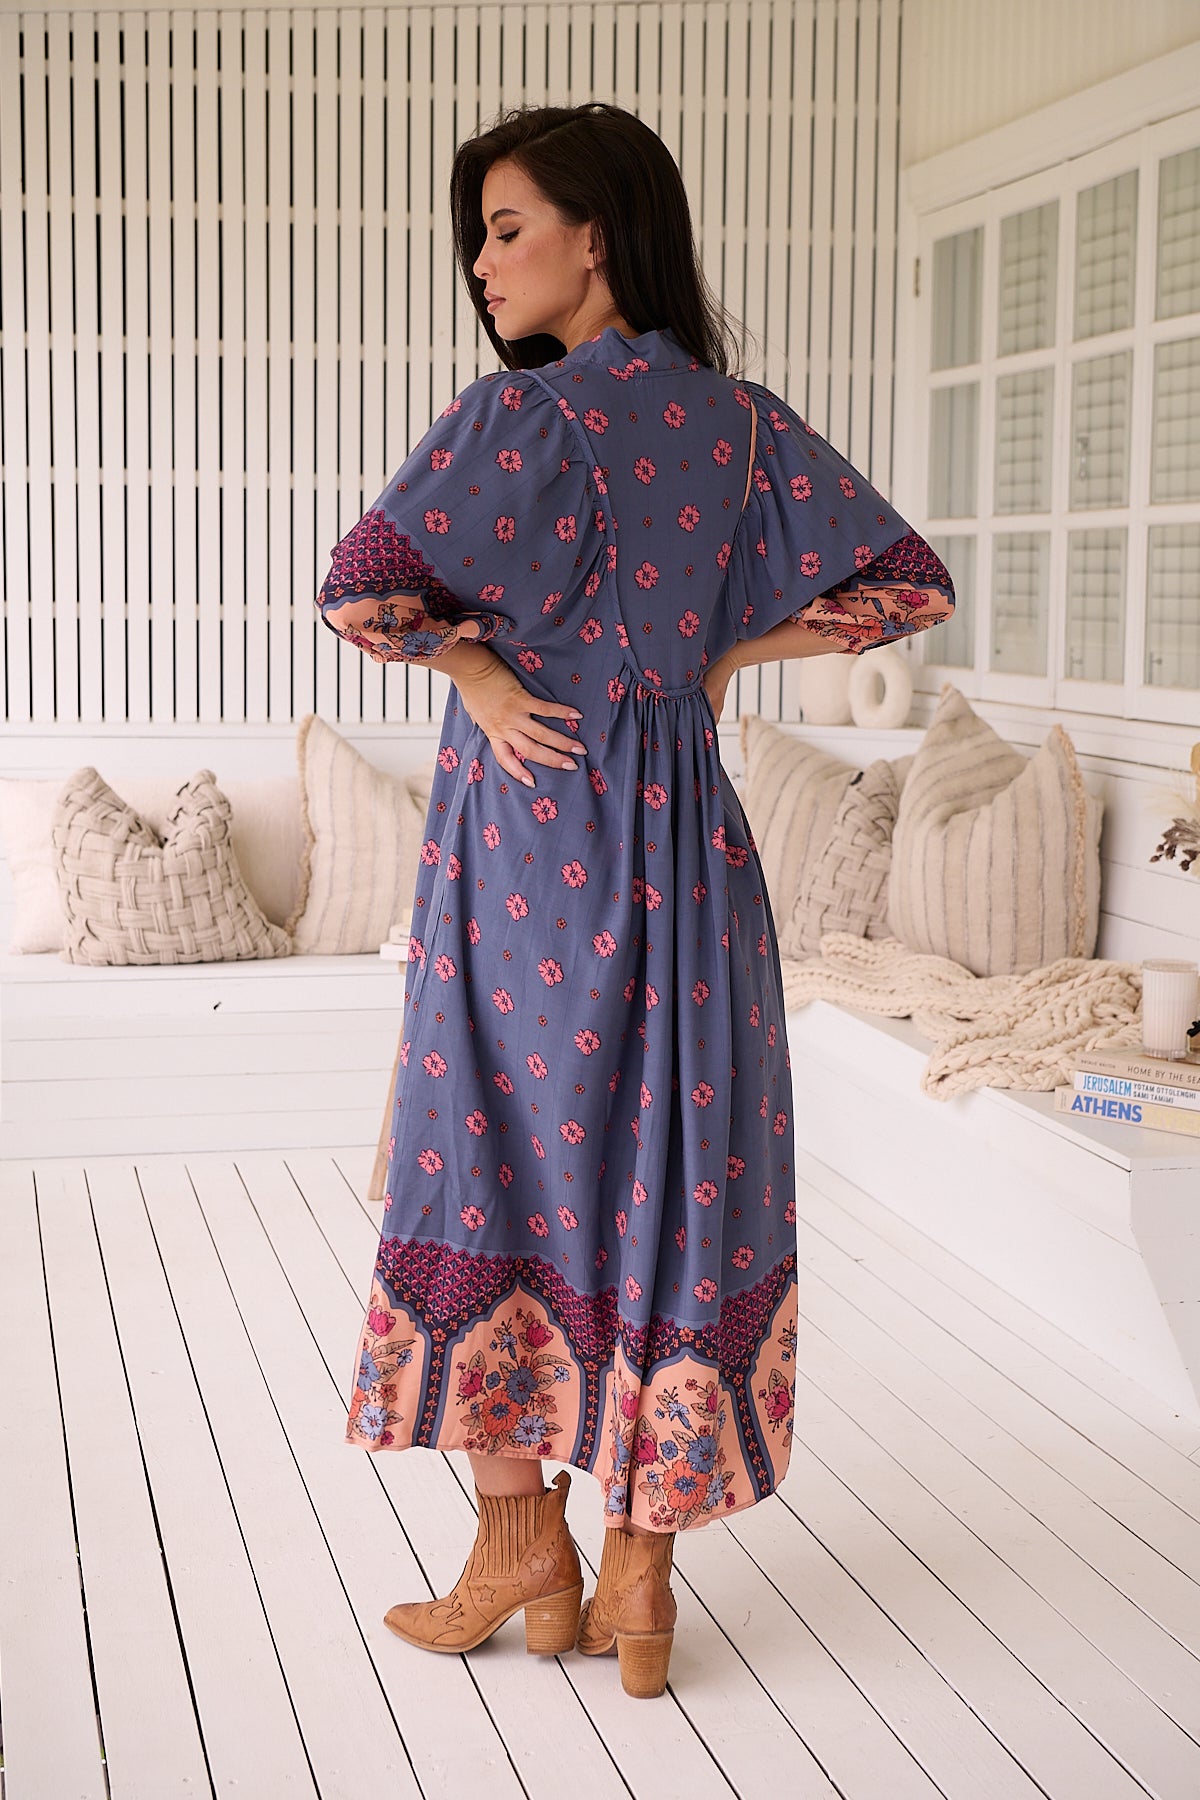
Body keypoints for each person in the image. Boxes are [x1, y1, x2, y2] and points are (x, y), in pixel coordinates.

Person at [319, 102, 954, 1699]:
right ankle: (637, 1581)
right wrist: (727, 651)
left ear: (596, 235)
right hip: (686, 859)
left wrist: (474, 671)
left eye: (507, 228)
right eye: (477, 235)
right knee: (668, 1175)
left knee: (492, 1159)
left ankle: (515, 1547)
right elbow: (906, 586)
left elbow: (360, 591)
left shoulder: (514, 419)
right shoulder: (740, 426)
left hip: (528, 852)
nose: (482, 264)